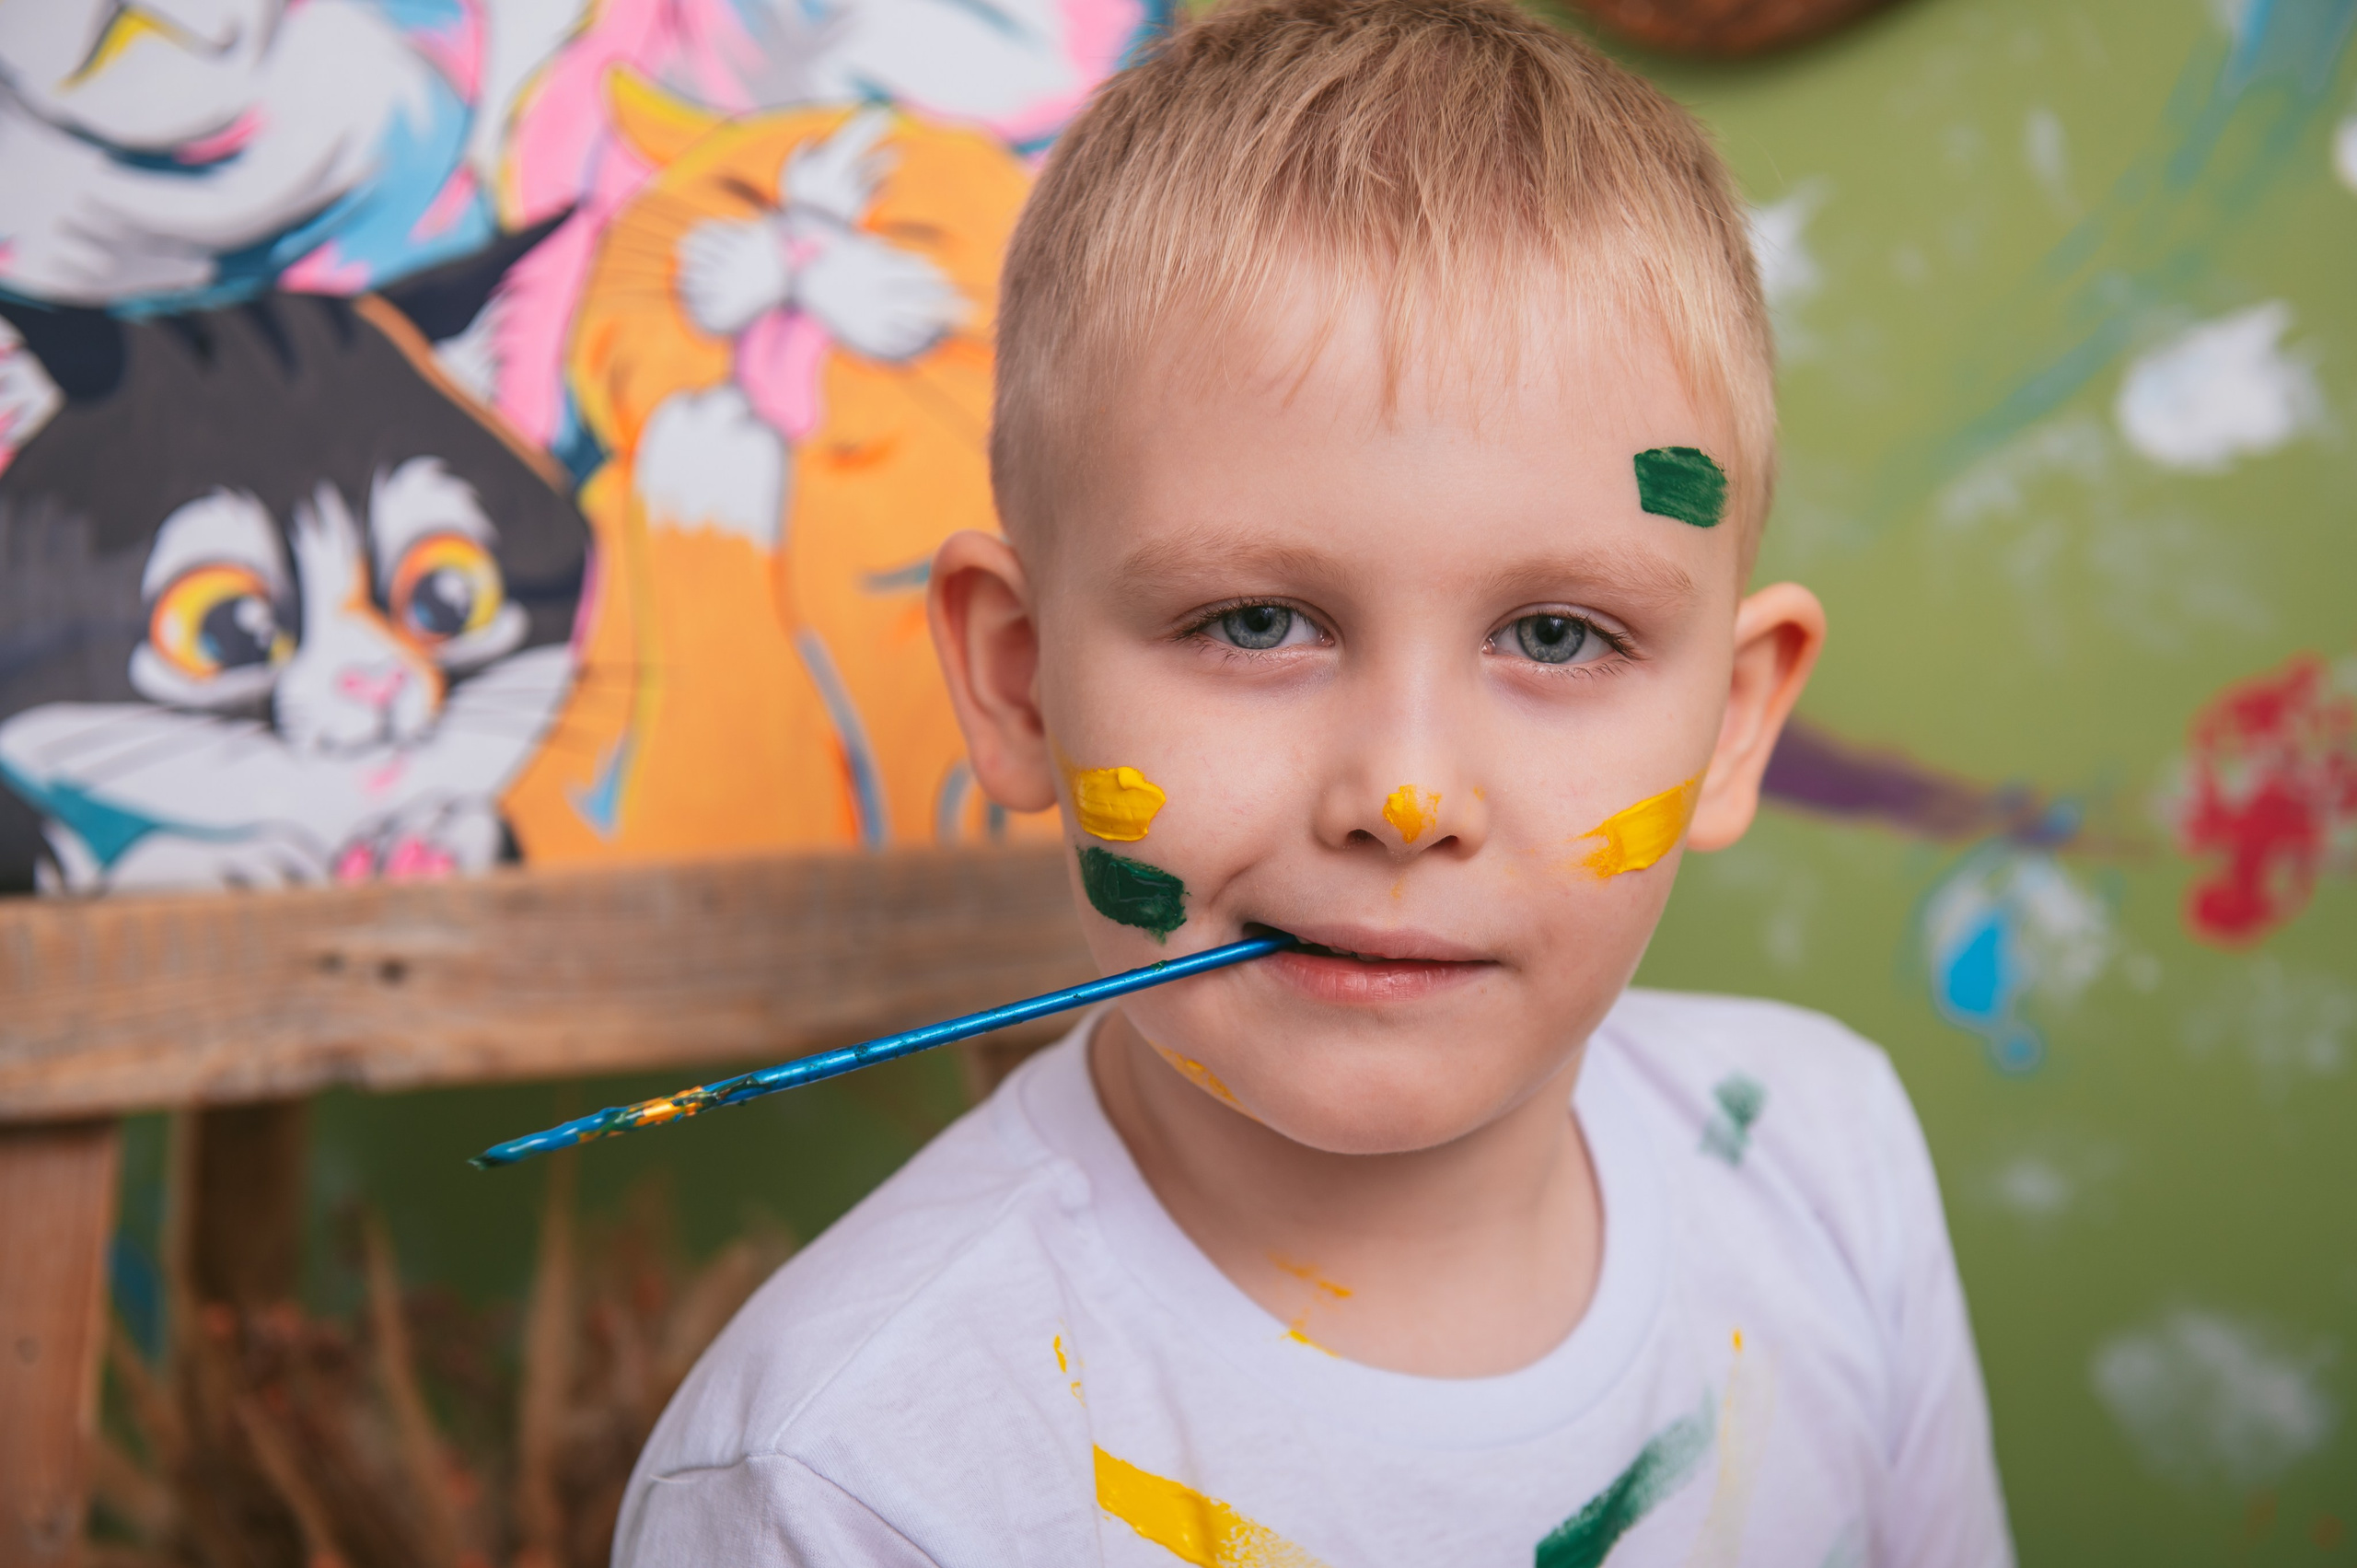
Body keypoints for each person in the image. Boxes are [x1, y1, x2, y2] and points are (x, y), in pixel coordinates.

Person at [614, 2, 2014, 1562]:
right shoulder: (839, 1474)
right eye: (1255, 621)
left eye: (1558, 633)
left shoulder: (1825, 1165)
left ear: (1734, 729)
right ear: (1016, 680)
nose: (1406, 798)